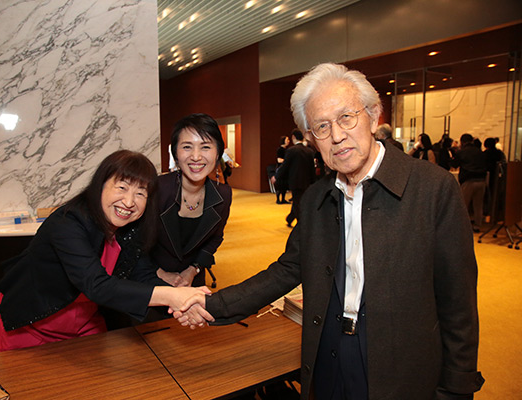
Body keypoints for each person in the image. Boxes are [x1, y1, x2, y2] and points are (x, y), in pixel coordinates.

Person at [176, 63, 484, 400]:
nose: (336, 136)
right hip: (328, 353)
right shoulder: (315, 199)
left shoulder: (433, 189)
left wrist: (456, 390)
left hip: (398, 366)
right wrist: (213, 304)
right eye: (322, 126)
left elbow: (459, 306)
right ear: (311, 138)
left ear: (373, 116)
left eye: (346, 118)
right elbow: (286, 270)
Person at [0, 150, 211, 354]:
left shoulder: (129, 229)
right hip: (32, 326)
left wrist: (184, 301)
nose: (129, 202)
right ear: (100, 185)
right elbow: (96, 284)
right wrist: (171, 297)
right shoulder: (67, 223)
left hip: (84, 325)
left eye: (140, 193)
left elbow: (142, 275)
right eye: (122, 188)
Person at [152, 113, 232, 288]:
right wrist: (161, 274)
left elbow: (215, 238)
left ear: (218, 153)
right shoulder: (156, 189)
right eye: (187, 147)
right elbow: (133, 243)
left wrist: (193, 269)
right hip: (149, 280)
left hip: (192, 281)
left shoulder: (223, 194)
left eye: (205, 147)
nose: (196, 156)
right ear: (175, 153)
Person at [274, 129, 316, 227]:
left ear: (293, 137)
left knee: (297, 202)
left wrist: (276, 176)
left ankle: (301, 225)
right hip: (306, 181)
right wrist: (313, 182)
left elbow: (285, 166)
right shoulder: (309, 151)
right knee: (298, 200)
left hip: (295, 181)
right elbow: (312, 168)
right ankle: (290, 218)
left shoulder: (291, 150)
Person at [451, 133, 487, 232]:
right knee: (478, 205)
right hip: (481, 180)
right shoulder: (480, 152)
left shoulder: (462, 152)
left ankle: (461, 227)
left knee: (463, 205)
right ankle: (477, 225)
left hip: (468, 180)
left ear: (462, 142)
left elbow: (454, 164)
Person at [274, 135, 290, 204]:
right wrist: (287, 161)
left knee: (284, 185)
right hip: (281, 168)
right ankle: (278, 199)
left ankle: (283, 199)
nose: (288, 141)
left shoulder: (287, 150)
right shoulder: (280, 149)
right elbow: (279, 160)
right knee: (280, 185)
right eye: (287, 140)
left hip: (285, 169)